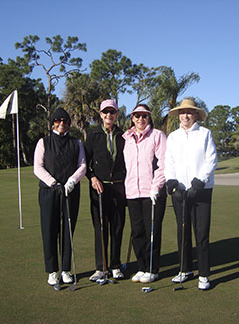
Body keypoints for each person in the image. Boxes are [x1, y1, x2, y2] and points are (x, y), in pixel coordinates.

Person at [165, 98, 217, 290]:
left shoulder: (205, 134)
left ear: (196, 115)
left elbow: (211, 160)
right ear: (178, 115)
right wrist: (172, 183)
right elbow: (168, 162)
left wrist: (199, 181)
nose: (185, 116)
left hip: (201, 191)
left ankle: (204, 274)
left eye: (189, 112)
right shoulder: (173, 137)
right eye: (182, 112)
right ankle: (184, 269)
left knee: (201, 233)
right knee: (183, 231)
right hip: (180, 192)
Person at [33, 107, 86, 287]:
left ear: (69, 123)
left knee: (67, 231)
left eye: (64, 120)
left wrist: (72, 181)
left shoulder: (76, 143)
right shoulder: (44, 142)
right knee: (49, 230)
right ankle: (52, 271)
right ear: (53, 122)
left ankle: (65, 270)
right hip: (49, 191)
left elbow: (82, 165)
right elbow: (37, 167)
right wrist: (53, 183)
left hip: (70, 191)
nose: (61, 123)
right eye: (58, 120)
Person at [123, 104, 167, 284]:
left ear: (149, 118)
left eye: (144, 116)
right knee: (137, 231)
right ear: (132, 117)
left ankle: (152, 268)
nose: (140, 119)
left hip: (152, 192)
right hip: (133, 192)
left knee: (152, 231)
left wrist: (156, 186)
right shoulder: (126, 138)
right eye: (137, 116)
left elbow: (163, 164)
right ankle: (141, 267)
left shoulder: (157, 136)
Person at [84, 99, 127, 281]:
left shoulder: (123, 135)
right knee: (101, 228)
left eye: (112, 112)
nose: (109, 115)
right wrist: (92, 177)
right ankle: (101, 267)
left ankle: (115, 265)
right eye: (105, 112)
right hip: (99, 187)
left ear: (116, 115)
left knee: (117, 227)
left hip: (118, 187)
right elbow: (84, 162)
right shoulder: (93, 135)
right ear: (100, 114)